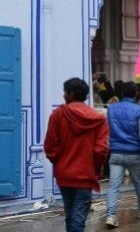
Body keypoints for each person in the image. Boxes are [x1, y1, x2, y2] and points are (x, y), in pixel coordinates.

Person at [44, 78, 109, 232]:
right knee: (78, 219)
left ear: (71, 94)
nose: (64, 95)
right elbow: (101, 150)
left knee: (70, 215)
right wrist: (96, 168)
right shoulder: (98, 119)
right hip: (86, 175)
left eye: (65, 92)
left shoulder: (57, 115)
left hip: (64, 175)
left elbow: (50, 147)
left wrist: (60, 163)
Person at [105, 81, 140, 228]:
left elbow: (108, 132)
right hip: (134, 154)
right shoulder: (139, 111)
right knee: (139, 183)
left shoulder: (111, 109)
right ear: (136, 93)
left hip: (116, 153)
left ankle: (111, 216)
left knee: (113, 186)